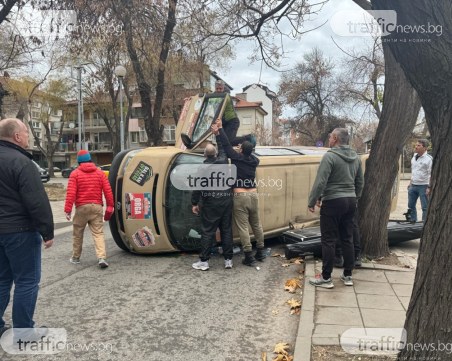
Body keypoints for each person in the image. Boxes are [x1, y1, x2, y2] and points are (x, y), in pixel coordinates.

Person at [0, 118, 54, 338]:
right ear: (17, 136)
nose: (28, 136)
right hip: (20, 230)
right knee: (27, 280)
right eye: (26, 131)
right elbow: (36, 200)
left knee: (2, 279)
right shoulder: (21, 162)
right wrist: (47, 231)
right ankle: (24, 332)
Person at [307, 128, 364, 288]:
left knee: (329, 240)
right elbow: (360, 182)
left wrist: (312, 201)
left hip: (333, 202)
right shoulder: (356, 158)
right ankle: (347, 276)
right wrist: (355, 196)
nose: (329, 139)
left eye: (330, 136)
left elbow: (321, 182)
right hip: (350, 201)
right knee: (347, 238)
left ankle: (326, 278)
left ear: (336, 138)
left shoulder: (330, 156)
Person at [211, 120, 266, 267]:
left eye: (240, 147)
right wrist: (244, 149)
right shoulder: (254, 160)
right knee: (256, 224)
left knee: (243, 227)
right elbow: (251, 155)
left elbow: (227, 145)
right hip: (254, 195)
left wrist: (221, 129)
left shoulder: (236, 158)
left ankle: (248, 256)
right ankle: (260, 251)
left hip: (240, 196)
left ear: (241, 150)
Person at [64, 150, 114, 268]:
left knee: (78, 233)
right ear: (90, 159)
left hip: (81, 208)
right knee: (98, 233)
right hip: (97, 207)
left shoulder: (75, 174)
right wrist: (110, 206)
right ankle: (101, 257)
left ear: (79, 161)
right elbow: (108, 191)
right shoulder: (100, 173)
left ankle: (76, 257)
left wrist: (68, 210)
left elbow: (71, 193)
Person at [191, 144, 234, 270]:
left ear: (204, 155)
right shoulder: (224, 163)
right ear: (215, 154)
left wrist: (194, 203)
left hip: (211, 203)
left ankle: (204, 262)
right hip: (226, 201)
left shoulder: (202, 168)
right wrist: (218, 132)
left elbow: (197, 187)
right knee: (226, 230)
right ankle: (228, 260)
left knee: (208, 231)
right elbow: (223, 150)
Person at [407, 139, 432, 222]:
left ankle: (424, 224)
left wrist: (429, 187)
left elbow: (431, 174)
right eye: (416, 145)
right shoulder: (414, 157)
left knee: (425, 207)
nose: (416, 147)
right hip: (413, 185)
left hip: (424, 186)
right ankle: (413, 221)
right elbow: (413, 171)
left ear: (425, 148)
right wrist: (410, 183)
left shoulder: (429, 159)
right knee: (410, 205)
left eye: (419, 145)